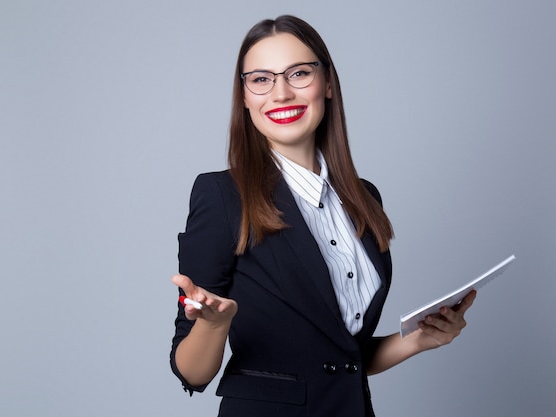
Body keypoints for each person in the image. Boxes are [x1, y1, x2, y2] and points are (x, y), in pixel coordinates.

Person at [170, 15, 476, 417]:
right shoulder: (222, 196)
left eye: (298, 73)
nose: (280, 93)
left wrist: (418, 339)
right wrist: (212, 325)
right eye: (261, 79)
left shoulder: (364, 198)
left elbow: (339, 358)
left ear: (328, 83)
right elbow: (191, 372)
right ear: (244, 96)